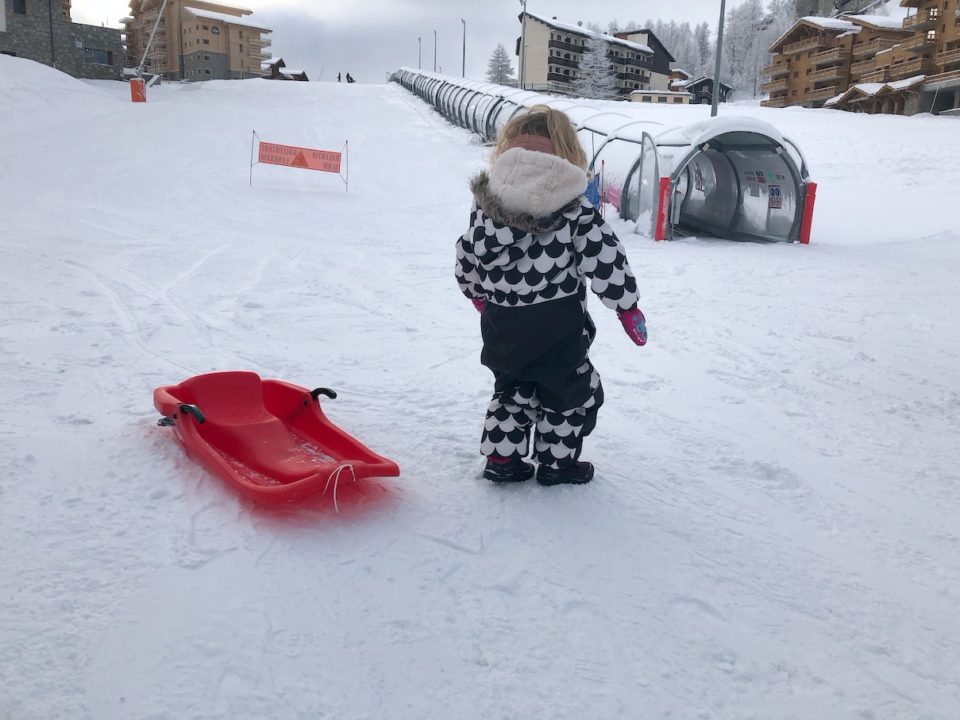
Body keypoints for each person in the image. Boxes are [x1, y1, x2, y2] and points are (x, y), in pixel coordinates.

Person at [455, 105, 647, 486]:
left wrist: (477, 294)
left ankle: (501, 459)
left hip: (501, 322)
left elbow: (468, 251)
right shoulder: (573, 207)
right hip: (556, 324)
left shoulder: (488, 205)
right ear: (565, 153)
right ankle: (557, 464)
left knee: (511, 388)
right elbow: (604, 256)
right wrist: (627, 306)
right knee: (568, 391)